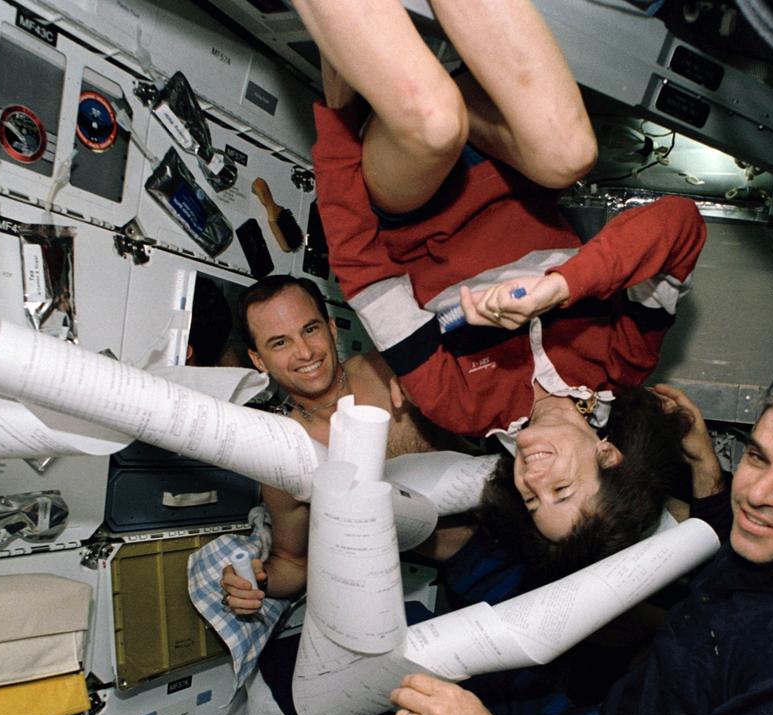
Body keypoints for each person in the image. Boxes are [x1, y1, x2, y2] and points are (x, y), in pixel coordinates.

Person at [64, 387, 773, 715]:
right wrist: (708, 473)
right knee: (393, 700)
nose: (761, 492)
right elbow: (721, 527)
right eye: (759, 456)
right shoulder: (766, 542)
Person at [300, 0, 709, 547]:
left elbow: (367, 277)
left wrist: (340, 121)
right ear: (607, 455)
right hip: (507, 162)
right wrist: (561, 287)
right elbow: (680, 225)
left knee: (436, 124)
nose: (532, 481)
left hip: (411, 199)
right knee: (570, 154)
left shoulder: (462, 406)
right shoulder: (622, 361)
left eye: (533, 500)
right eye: (560, 490)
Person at [224, 274, 464, 601]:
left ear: (332, 328)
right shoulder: (285, 455)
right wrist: (256, 581)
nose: (305, 352)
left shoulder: (390, 371)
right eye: (280, 342)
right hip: (461, 572)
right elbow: (293, 563)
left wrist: (434, 383)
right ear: (258, 360)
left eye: (310, 329)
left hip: (519, 504)